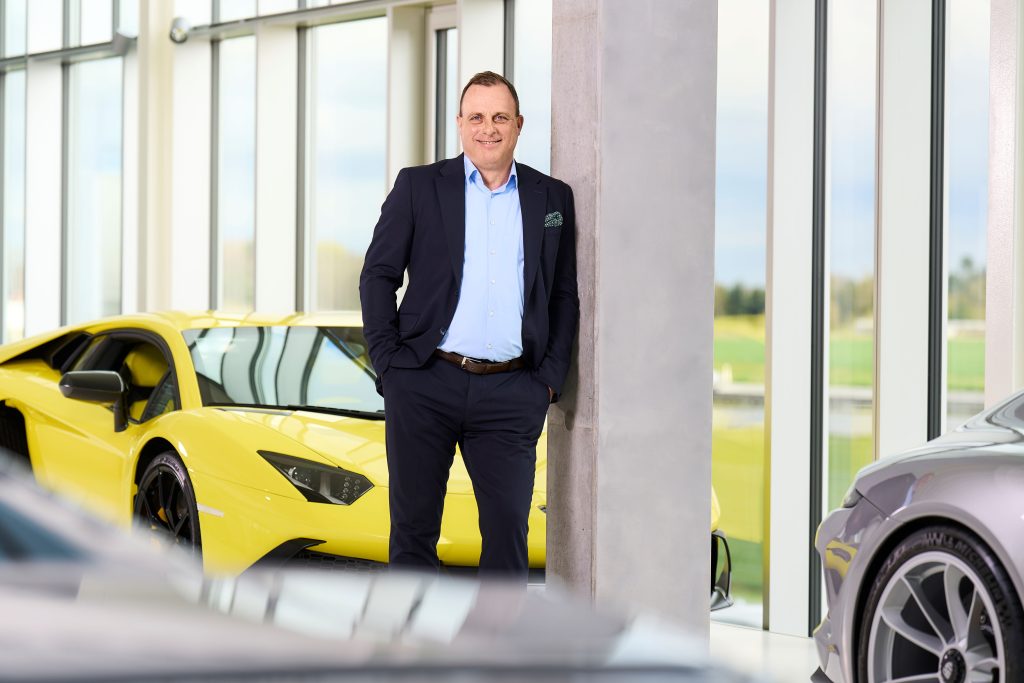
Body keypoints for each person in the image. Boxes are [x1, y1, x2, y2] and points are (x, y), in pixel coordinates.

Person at [359, 71, 579, 578]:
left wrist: (547, 380)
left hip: (512, 392)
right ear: (460, 124)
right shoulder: (418, 186)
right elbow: (378, 275)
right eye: (476, 117)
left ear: (519, 124)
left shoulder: (552, 198)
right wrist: (390, 364)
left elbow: (563, 294)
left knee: (508, 538)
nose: (488, 128)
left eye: (500, 117)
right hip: (424, 381)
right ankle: (415, 630)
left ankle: (497, 634)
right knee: (413, 533)